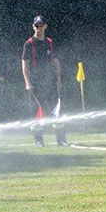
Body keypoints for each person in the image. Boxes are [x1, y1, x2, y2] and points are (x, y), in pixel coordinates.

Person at [21, 15, 68, 146]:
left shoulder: (50, 43)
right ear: (33, 27)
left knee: (56, 110)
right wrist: (28, 82)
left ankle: (61, 139)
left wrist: (59, 80)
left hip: (50, 81)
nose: (39, 28)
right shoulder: (29, 44)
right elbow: (25, 65)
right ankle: (38, 140)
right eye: (36, 25)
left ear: (45, 26)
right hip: (35, 83)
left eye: (41, 25)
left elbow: (56, 62)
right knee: (36, 112)